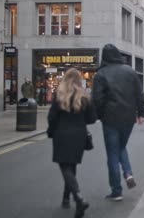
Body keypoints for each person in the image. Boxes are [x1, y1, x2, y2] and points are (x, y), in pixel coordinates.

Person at [92, 44, 144, 201]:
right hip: (128, 118)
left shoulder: (100, 74)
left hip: (110, 119)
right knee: (121, 146)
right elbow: (139, 94)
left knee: (112, 153)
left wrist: (99, 115)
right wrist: (141, 113)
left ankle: (116, 190)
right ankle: (128, 173)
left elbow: (97, 99)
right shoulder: (129, 71)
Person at [47, 68, 97, 218]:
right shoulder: (84, 97)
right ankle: (66, 199)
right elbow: (92, 118)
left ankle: (78, 197)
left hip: (61, 135)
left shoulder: (60, 95)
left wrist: (51, 131)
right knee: (71, 166)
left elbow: (52, 118)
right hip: (79, 136)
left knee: (65, 167)